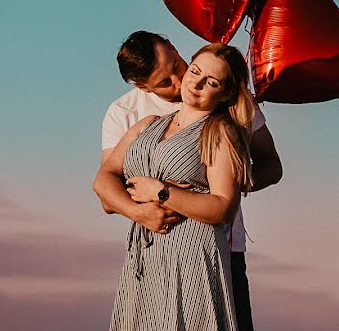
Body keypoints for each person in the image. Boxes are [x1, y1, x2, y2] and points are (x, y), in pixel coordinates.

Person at [99, 31, 282, 330]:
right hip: (150, 254)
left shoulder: (226, 95)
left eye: (176, 64)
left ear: (172, 46)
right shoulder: (125, 114)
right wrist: (141, 211)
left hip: (217, 249)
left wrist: (217, 185)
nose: (180, 79)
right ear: (141, 87)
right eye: (164, 81)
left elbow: (271, 166)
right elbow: (108, 192)